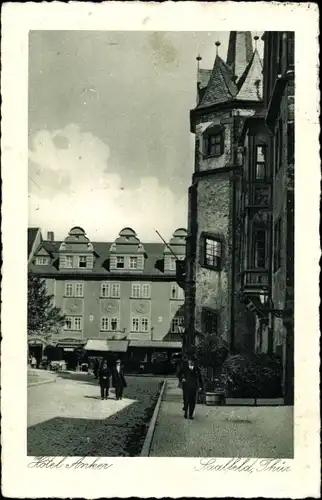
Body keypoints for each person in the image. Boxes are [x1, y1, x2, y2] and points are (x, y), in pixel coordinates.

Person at [179, 355, 203, 420]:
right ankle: (186, 412)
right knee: (186, 400)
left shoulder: (196, 369)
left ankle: (190, 415)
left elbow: (200, 378)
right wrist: (182, 378)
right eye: (190, 361)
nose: (191, 362)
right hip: (186, 386)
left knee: (192, 401)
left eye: (192, 361)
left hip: (194, 387)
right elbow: (179, 374)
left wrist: (201, 387)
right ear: (188, 361)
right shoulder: (185, 368)